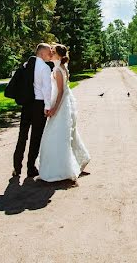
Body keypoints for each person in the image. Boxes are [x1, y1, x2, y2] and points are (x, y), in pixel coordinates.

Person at [37, 44, 91, 182]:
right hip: (65, 103)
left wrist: (54, 108)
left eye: (53, 52)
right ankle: (79, 159)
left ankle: (61, 169)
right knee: (67, 134)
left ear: (59, 56)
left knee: (57, 136)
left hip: (61, 105)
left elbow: (60, 92)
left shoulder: (58, 70)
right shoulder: (62, 68)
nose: (50, 54)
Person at [13, 43, 53, 179]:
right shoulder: (45, 68)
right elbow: (47, 90)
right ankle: (31, 168)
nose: (51, 55)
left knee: (22, 135)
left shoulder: (27, 64)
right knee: (35, 137)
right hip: (39, 105)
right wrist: (47, 107)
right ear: (42, 53)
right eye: (49, 53)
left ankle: (16, 167)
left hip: (27, 104)